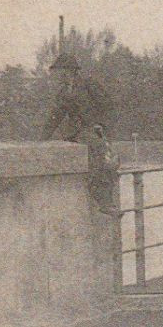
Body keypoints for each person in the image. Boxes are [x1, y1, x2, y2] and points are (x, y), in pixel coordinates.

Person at [40, 52, 118, 215]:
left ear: (69, 71)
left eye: (59, 71)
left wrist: (101, 124)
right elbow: (55, 117)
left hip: (94, 129)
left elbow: (108, 105)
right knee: (98, 152)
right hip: (76, 133)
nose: (57, 75)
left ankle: (105, 200)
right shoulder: (63, 92)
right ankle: (104, 200)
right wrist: (41, 139)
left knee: (103, 155)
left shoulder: (88, 84)